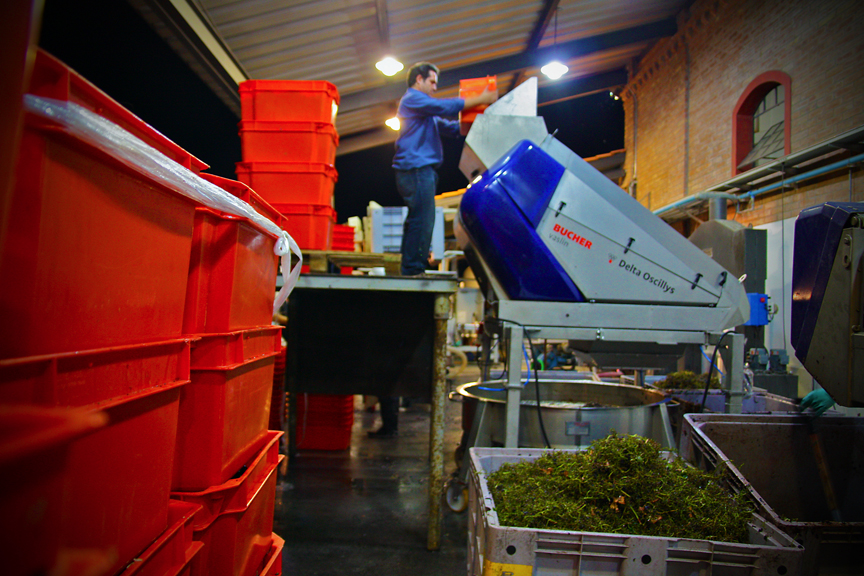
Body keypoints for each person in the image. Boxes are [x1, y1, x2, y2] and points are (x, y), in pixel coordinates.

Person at [392, 62, 498, 277]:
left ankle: (410, 266)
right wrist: (481, 98)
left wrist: (476, 121)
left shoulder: (423, 113)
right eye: (432, 82)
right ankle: (413, 269)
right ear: (418, 80)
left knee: (418, 217)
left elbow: (449, 127)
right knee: (423, 218)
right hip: (416, 169)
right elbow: (445, 107)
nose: (434, 87)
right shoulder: (413, 99)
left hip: (417, 170)